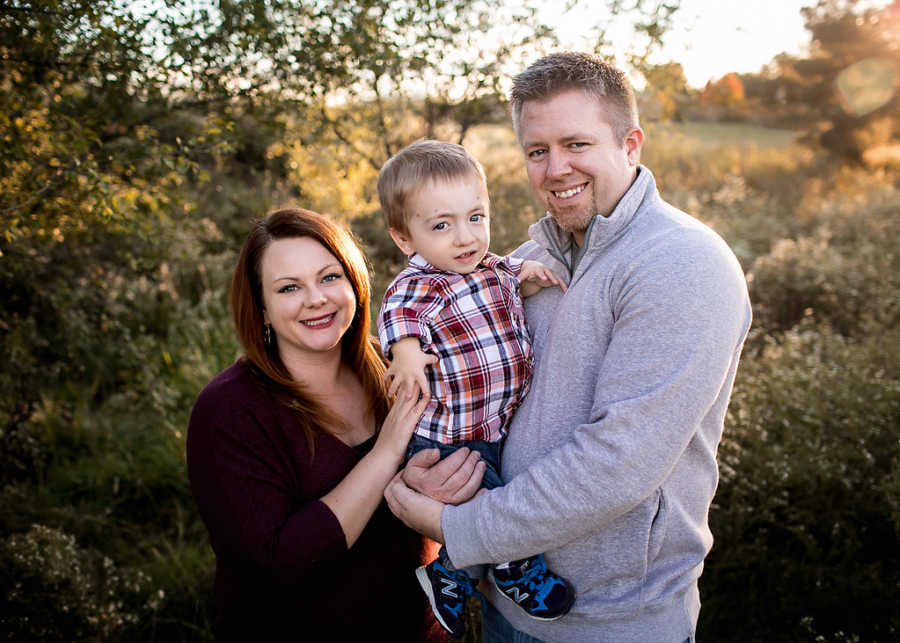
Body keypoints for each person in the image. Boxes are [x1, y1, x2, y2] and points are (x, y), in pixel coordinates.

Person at [384, 52, 753, 643]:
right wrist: (433, 471)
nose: (556, 168)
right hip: (508, 609)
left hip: (614, 623)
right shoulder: (525, 265)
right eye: (537, 151)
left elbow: (619, 462)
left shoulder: (683, 263)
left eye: (576, 144)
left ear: (630, 144)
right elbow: (467, 386)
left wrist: (460, 525)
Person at [186, 208, 445, 641]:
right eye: (289, 287)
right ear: (262, 309)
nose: (316, 299)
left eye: (329, 277)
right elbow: (282, 560)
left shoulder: (393, 369)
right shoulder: (228, 411)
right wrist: (387, 451)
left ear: (354, 283)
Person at [375, 139, 573, 638]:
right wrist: (404, 350)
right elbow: (397, 314)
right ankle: (517, 571)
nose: (465, 237)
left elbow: (508, 279)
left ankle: (448, 575)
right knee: (492, 510)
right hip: (447, 436)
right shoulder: (421, 285)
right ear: (405, 238)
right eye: (441, 226)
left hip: (489, 428)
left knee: (483, 504)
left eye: (476, 217)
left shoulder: (488, 266)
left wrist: (526, 275)